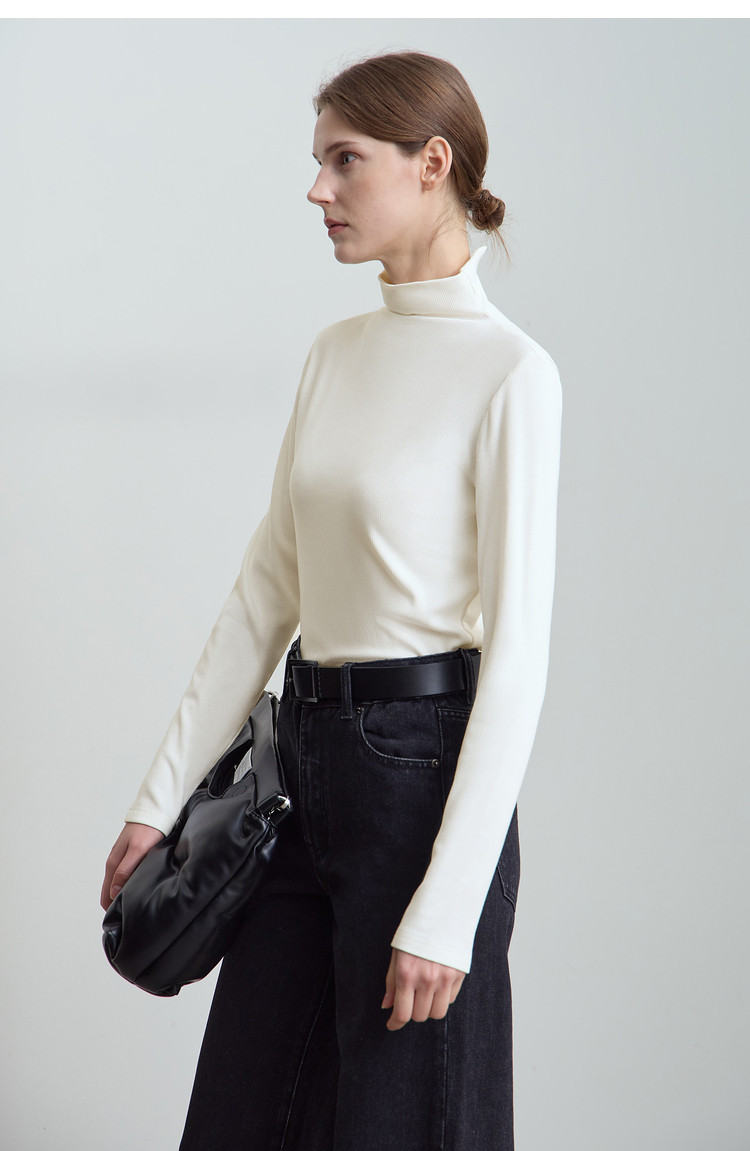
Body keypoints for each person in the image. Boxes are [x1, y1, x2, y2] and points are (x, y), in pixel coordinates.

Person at [101, 49, 562, 1151]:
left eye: (344, 161)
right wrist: (159, 799)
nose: (318, 190)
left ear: (432, 163)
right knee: (243, 1114)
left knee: (409, 1125)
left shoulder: (511, 374)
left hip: (422, 777)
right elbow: (268, 587)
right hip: (296, 769)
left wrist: (448, 906)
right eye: (318, 162)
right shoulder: (335, 354)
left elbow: (519, 658)